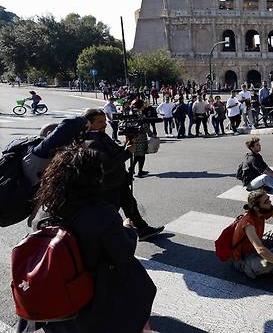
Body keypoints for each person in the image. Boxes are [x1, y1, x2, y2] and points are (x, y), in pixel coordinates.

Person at [17, 145, 156, 333]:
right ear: (93, 178)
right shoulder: (101, 213)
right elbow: (122, 254)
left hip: (60, 296)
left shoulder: (45, 209)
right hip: (97, 297)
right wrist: (127, 229)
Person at [83, 108, 164, 241]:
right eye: (100, 122)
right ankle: (111, 243)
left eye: (104, 121)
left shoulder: (101, 136)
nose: (104, 124)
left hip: (118, 181)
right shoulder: (91, 142)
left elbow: (116, 153)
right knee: (111, 214)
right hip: (108, 186)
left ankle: (142, 229)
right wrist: (127, 153)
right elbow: (105, 166)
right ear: (88, 124)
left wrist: (128, 143)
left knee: (130, 204)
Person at [126, 99, 150, 178]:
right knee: (141, 155)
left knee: (136, 154)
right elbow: (146, 127)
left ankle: (132, 168)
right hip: (141, 137)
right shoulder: (141, 115)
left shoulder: (129, 114)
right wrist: (151, 134)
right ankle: (140, 171)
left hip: (132, 137)